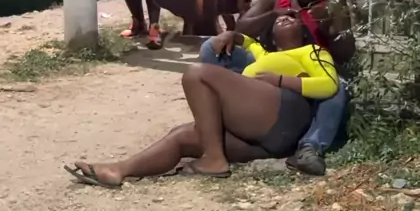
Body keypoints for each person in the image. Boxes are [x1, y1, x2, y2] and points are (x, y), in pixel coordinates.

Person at [64, 13, 338, 188]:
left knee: (197, 74)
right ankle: (118, 170)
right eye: (280, 19)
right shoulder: (264, 54)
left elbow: (329, 84)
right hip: (265, 140)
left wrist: (279, 80)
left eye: (293, 18)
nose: (286, 18)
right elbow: (245, 40)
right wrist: (230, 34)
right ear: (272, 38)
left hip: (288, 110)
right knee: (183, 136)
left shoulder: (312, 51)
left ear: (304, 32)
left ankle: (214, 160)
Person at [219, 0, 355, 176]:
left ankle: (310, 147)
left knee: (338, 86)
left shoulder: (332, 4)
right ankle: (219, 119)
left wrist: (330, 29)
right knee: (215, 49)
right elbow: (242, 28)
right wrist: (273, 15)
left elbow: (347, 53)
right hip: (270, 60)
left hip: (311, 70)